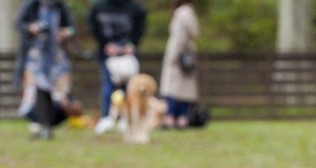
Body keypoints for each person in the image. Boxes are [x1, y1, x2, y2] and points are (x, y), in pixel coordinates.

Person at [14, 0, 76, 140]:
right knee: (40, 88)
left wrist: (66, 32)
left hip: (56, 57)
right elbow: (19, 24)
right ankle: (44, 125)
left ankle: (48, 124)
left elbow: (72, 28)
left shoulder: (61, 7)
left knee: (60, 93)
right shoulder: (32, 5)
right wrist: (31, 28)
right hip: (37, 55)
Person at [88, 0, 147, 133]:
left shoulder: (135, 8)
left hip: (129, 56)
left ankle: (126, 118)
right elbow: (93, 27)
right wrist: (105, 44)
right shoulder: (99, 7)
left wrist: (132, 44)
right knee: (108, 85)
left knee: (130, 87)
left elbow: (141, 27)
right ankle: (106, 117)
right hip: (107, 55)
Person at [160, 0, 200, 129]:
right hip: (188, 55)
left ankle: (170, 118)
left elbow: (178, 37)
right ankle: (183, 118)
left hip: (178, 56)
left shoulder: (181, 13)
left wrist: (174, 56)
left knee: (172, 88)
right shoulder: (190, 12)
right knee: (184, 90)